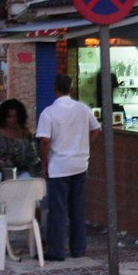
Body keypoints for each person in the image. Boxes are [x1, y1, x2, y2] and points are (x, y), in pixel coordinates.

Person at [36, 75, 102, 261]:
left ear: (54, 88)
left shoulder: (48, 113)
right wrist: (86, 147)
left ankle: (56, 250)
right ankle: (78, 248)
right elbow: (97, 129)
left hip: (58, 166)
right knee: (77, 209)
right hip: (80, 164)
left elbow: (45, 141)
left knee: (57, 210)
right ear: (71, 89)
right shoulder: (83, 108)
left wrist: (44, 164)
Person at [0, 99, 41, 179]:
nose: (12, 120)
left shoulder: (25, 133)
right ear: (3, 117)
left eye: (15, 116)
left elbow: (33, 158)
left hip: (22, 176)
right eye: (9, 116)